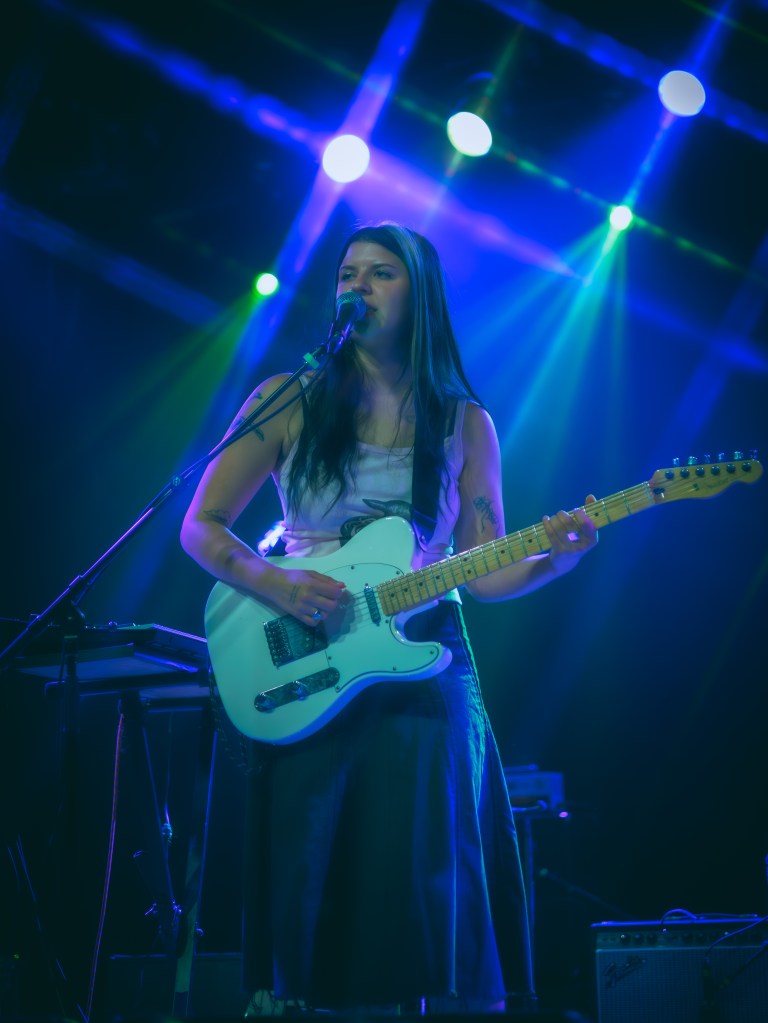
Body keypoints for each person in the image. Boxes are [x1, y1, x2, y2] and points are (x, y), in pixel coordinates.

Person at [180, 222, 597, 1014]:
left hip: (425, 648)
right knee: (309, 850)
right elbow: (201, 525)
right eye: (348, 273)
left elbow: (483, 567)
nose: (357, 286)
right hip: (306, 640)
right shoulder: (287, 398)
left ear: (419, 293)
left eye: (379, 274)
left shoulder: (463, 421)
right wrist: (277, 584)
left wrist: (557, 558)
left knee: (426, 863)